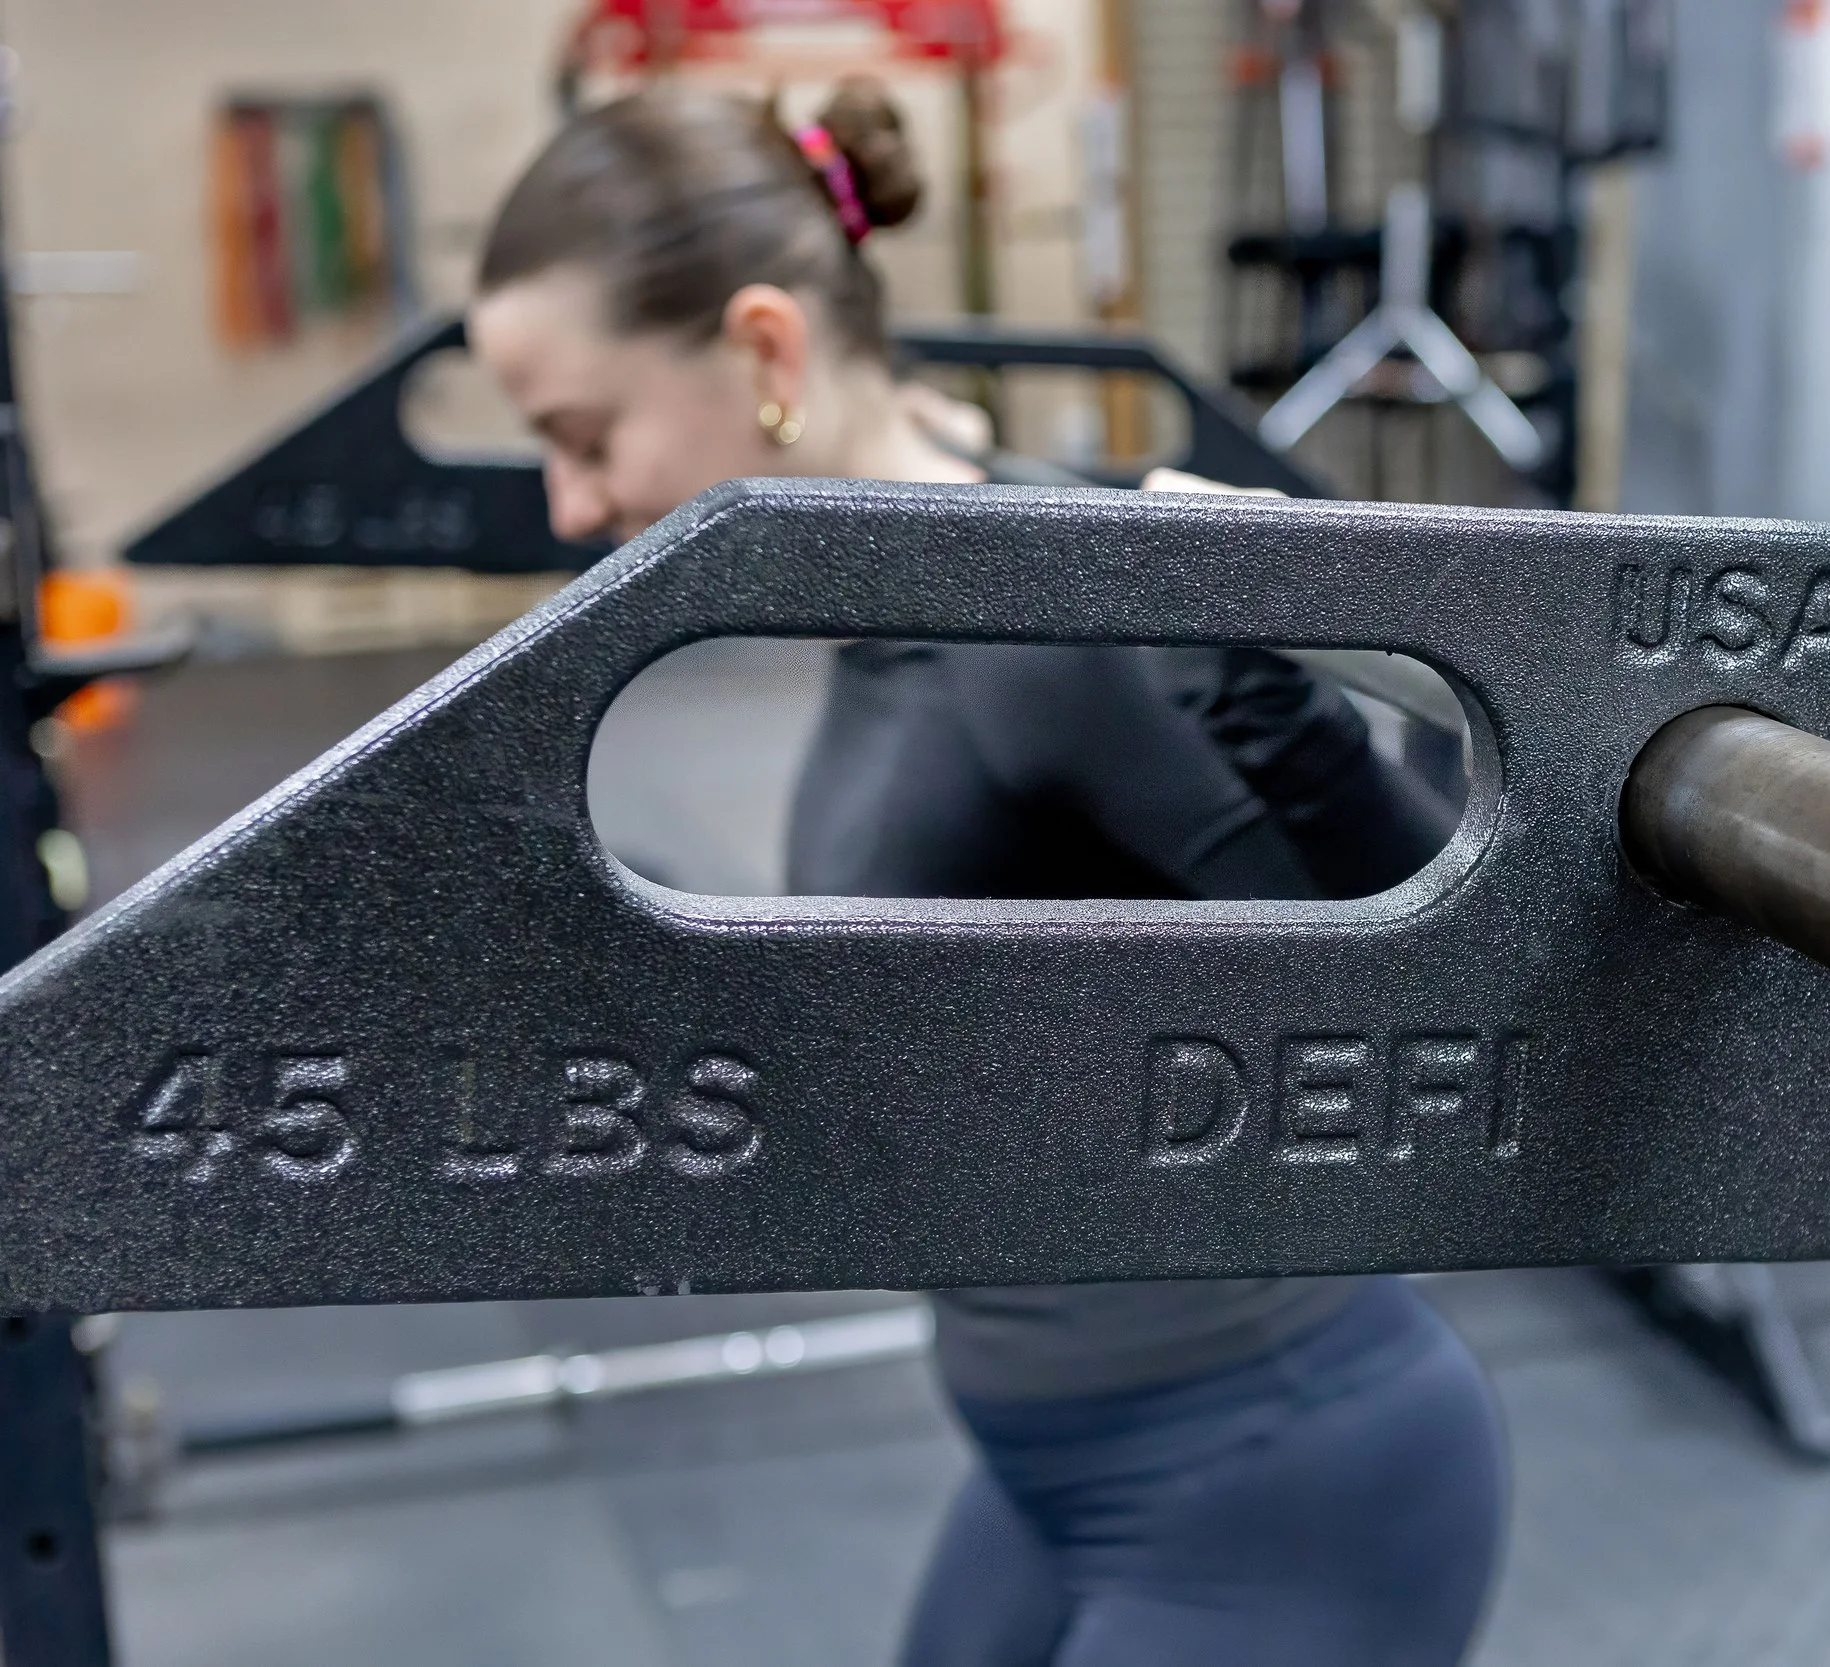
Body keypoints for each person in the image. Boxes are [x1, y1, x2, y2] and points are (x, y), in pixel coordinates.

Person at [468, 81, 1506, 1667]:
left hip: (1267, 1473)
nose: (572, 505)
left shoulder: (1048, 637)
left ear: (764, 352)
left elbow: (1459, 963)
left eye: (582, 436)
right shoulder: (913, 576)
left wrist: (1277, 676)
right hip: (1051, 1468)